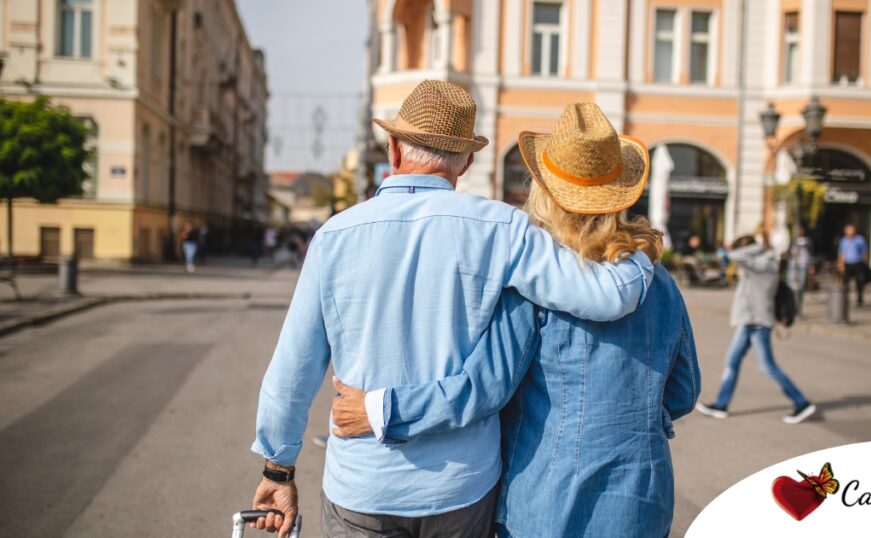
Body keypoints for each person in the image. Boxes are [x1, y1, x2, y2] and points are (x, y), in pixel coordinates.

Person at [248, 82, 655, 538]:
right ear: (467, 161)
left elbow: (291, 372)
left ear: (394, 149)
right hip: (461, 487)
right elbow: (606, 297)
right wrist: (639, 251)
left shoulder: (334, 236)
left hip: (362, 486)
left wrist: (277, 470)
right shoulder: (502, 228)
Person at [330, 102, 700, 537]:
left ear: (544, 190)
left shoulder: (536, 285)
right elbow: (682, 391)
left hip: (547, 497)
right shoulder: (658, 283)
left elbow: (483, 389)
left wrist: (382, 409)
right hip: (641, 500)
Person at [696, 234, 816, 424]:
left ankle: (801, 403)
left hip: (758, 322)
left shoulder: (764, 264)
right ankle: (721, 405)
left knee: (767, 366)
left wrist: (753, 247)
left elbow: (735, 255)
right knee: (732, 361)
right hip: (749, 321)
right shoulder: (758, 263)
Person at [837, 224, 868, 307]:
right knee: (845, 282)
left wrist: (864, 263)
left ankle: (859, 299)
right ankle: (845, 299)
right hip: (847, 263)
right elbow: (841, 253)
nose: (850, 232)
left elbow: (864, 251)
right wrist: (841, 264)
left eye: (852, 230)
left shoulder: (860, 240)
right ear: (845, 231)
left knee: (859, 281)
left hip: (857, 262)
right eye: (848, 230)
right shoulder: (843, 241)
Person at [787, 226, 813, 315]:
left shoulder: (807, 241)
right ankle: (792, 307)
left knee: (801, 287)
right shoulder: (792, 241)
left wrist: (811, 266)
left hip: (802, 266)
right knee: (791, 287)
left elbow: (810, 254)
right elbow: (788, 253)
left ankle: (799, 307)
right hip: (793, 266)